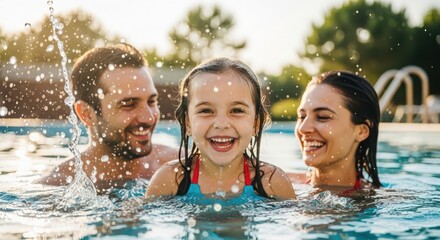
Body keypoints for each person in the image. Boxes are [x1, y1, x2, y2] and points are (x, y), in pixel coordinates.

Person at [145, 57, 296, 203]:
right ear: (188, 123)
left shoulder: (272, 183)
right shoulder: (169, 181)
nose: (221, 124)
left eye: (236, 110)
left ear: (256, 123)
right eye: (206, 110)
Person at [36, 43, 178, 193]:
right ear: (87, 114)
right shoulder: (59, 186)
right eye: (129, 105)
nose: (148, 118)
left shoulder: (180, 166)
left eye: (151, 101)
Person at [290, 71, 381, 194]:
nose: (303, 128)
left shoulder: (385, 202)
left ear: (361, 131)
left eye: (322, 117)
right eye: (302, 116)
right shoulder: (271, 184)